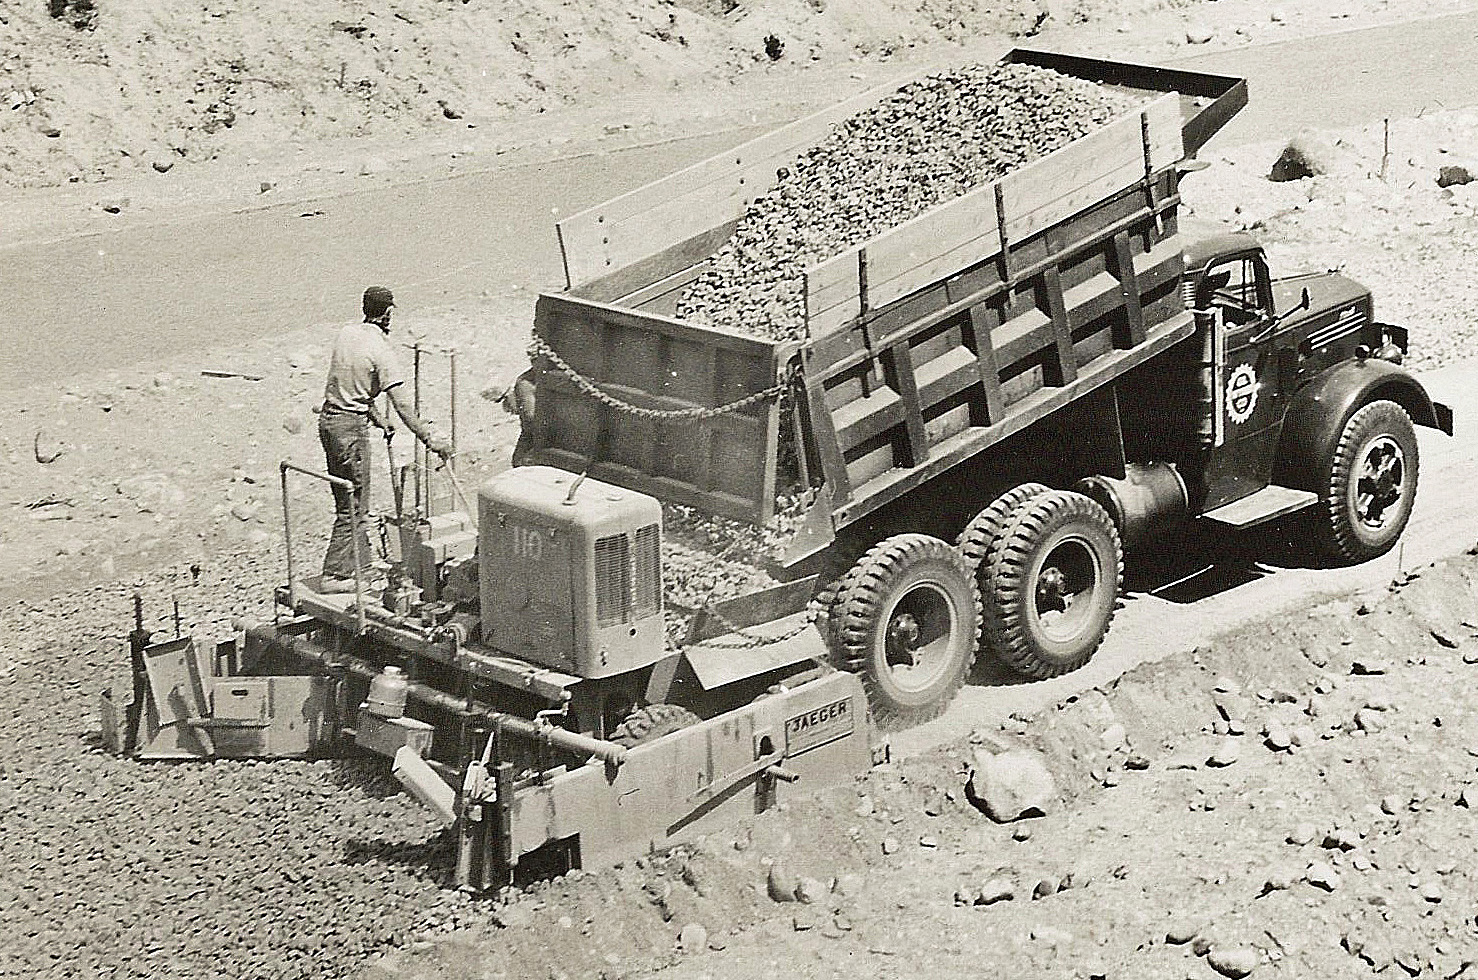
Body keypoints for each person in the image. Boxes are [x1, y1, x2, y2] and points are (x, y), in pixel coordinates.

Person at [318, 285, 452, 592]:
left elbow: (350, 380)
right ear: (388, 313)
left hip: (330, 421)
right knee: (353, 506)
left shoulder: (347, 333)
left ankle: (357, 567)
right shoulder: (381, 350)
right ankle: (335, 576)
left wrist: (377, 417)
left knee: (348, 498)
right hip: (350, 430)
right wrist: (429, 437)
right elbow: (402, 404)